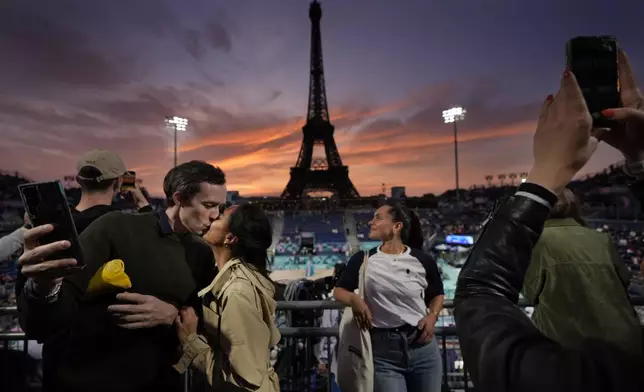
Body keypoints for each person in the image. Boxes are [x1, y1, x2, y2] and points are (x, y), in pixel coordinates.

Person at [453, 52, 644, 391]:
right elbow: (623, 279)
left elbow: (484, 293)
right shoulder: (596, 237)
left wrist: (543, 174)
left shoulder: (538, 240)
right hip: (627, 338)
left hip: (565, 343)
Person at [17, 160, 226, 392]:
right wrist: (44, 287)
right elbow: (45, 322)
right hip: (89, 382)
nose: (215, 215)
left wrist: (172, 316)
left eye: (220, 207)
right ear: (179, 198)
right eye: (208, 205)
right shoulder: (115, 227)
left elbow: (209, 320)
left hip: (160, 383)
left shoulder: (201, 253)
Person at [333, 201, 444, 392]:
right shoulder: (362, 259)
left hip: (423, 347)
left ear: (397, 226)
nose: (370, 222)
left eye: (377, 217)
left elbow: (437, 294)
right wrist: (355, 300)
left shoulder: (422, 259)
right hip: (383, 352)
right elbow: (339, 290)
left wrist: (432, 316)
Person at [174, 203, 281, 392]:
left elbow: (245, 378)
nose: (212, 216)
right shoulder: (235, 280)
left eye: (219, 217)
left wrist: (190, 341)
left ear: (230, 238)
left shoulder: (237, 292)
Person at [523, 187, 641, 354]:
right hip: (623, 339)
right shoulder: (601, 238)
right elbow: (624, 279)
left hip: (570, 346)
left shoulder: (537, 242)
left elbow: (531, 292)